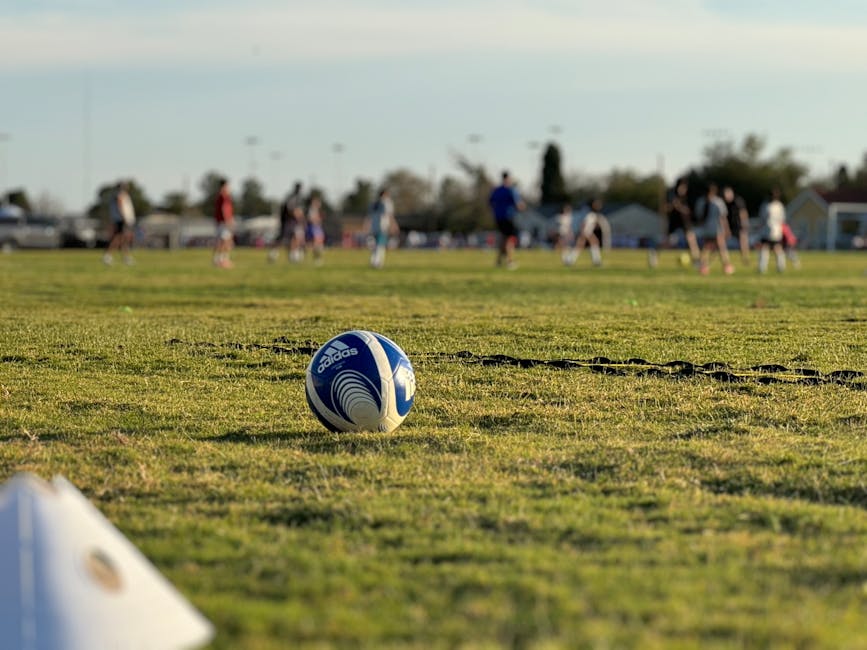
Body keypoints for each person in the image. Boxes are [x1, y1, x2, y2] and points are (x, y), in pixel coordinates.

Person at [650, 177, 700, 268]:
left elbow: (689, 211)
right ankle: (655, 253)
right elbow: (665, 208)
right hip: (674, 221)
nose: (682, 189)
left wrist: (679, 206)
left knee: (691, 241)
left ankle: (696, 261)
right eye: (681, 187)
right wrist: (671, 206)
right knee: (669, 242)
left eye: (684, 187)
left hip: (685, 222)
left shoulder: (689, 196)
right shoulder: (671, 194)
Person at [694, 183, 734, 275]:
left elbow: (699, 217)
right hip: (716, 228)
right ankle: (726, 266)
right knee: (721, 247)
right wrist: (727, 229)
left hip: (706, 228)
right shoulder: (718, 202)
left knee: (705, 248)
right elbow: (723, 217)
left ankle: (703, 267)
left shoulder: (701, 201)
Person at [488, 171, 525, 269]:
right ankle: (509, 261)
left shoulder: (496, 190)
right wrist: (522, 207)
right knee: (509, 240)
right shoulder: (511, 190)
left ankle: (499, 261)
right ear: (508, 178)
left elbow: (490, 202)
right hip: (508, 217)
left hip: (498, 217)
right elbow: (518, 205)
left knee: (503, 238)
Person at [269, 182, 304, 263]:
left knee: (295, 238)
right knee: (282, 238)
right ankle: (273, 253)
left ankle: (293, 256)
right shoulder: (292, 197)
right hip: (287, 221)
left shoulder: (297, 198)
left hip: (292, 222)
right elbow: (291, 209)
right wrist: (298, 215)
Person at [103, 181, 136, 266]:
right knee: (117, 238)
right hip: (121, 220)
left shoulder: (120, 195)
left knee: (123, 239)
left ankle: (126, 257)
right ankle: (108, 255)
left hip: (122, 219)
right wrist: (124, 217)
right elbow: (120, 205)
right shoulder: (120, 195)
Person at [571, 197, 609, 267]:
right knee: (593, 243)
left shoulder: (592, 213)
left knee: (580, 245)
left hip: (586, 231)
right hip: (585, 232)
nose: (599, 206)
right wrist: (583, 232)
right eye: (597, 204)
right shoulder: (588, 212)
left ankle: (570, 260)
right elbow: (584, 223)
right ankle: (596, 261)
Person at [757, 187, 787, 273]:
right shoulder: (766, 205)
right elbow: (762, 219)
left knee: (776, 249)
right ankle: (762, 268)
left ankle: (780, 267)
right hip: (766, 230)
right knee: (764, 248)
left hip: (775, 231)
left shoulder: (779, 206)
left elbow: (782, 220)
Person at [367, 188, 396, 269]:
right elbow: (389, 215)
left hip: (374, 226)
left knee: (375, 245)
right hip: (382, 226)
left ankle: (373, 261)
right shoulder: (387, 203)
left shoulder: (373, 203)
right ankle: (377, 262)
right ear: (385, 194)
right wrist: (393, 225)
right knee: (380, 245)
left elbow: (369, 216)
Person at [722, 185, 750, 264]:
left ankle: (745, 258)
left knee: (742, 241)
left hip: (739, 224)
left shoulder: (738, 200)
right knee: (722, 241)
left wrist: (744, 223)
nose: (726, 196)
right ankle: (725, 258)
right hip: (729, 225)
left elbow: (743, 212)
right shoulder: (724, 202)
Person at [212, 178, 235, 268]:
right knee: (224, 242)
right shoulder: (224, 196)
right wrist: (228, 220)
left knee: (224, 241)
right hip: (224, 222)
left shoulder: (220, 196)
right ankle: (221, 260)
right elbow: (224, 209)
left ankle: (220, 259)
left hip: (220, 221)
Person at [306, 195, 325, 266]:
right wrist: (317, 219)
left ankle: (318, 257)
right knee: (316, 243)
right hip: (313, 227)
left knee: (319, 243)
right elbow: (310, 219)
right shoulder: (311, 209)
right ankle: (316, 258)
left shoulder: (316, 210)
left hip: (317, 227)